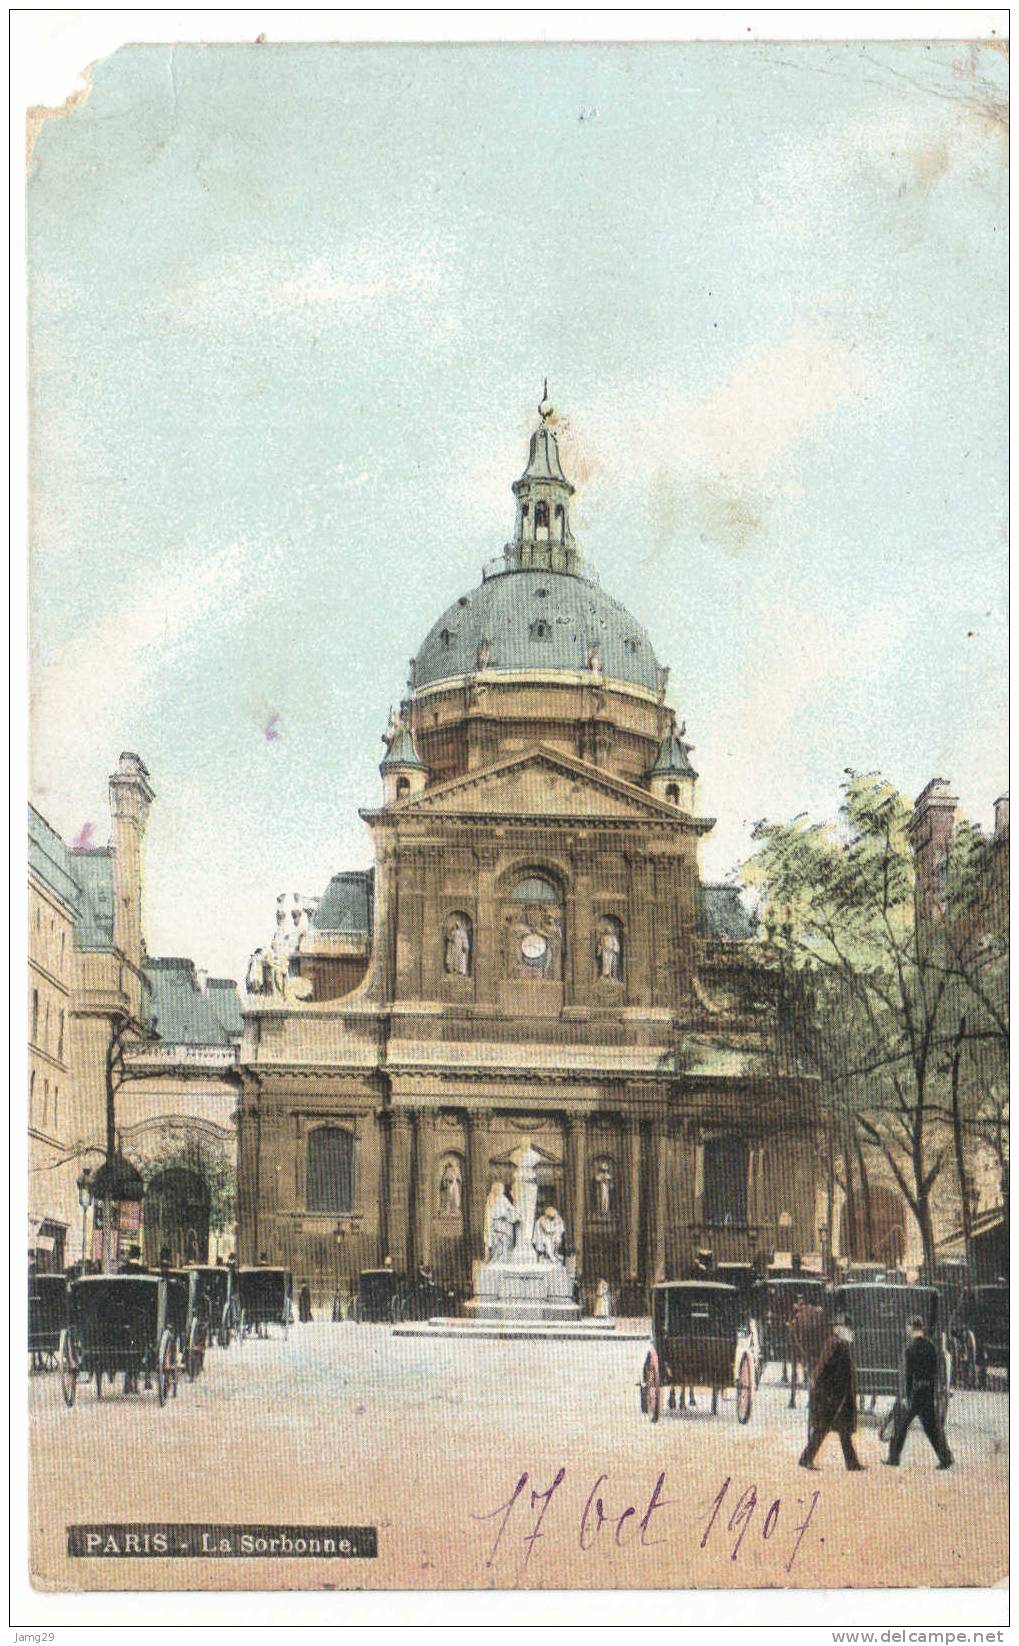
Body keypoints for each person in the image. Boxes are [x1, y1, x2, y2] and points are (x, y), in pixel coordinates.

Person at [883, 1317, 953, 1469]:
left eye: (907, 1327)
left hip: (912, 1394)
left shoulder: (909, 1347)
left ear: (910, 1327)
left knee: (899, 1425)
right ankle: (946, 1458)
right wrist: (934, 1395)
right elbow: (935, 1373)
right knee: (933, 1428)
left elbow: (906, 1374)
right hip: (926, 1392)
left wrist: (904, 1396)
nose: (906, 1330)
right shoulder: (930, 1346)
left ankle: (893, 1458)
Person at [799, 1314, 865, 1471]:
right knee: (823, 1429)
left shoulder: (836, 1344)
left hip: (835, 1395)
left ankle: (852, 1463)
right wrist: (836, 1398)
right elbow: (833, 1374)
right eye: (849, 1328)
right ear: (842, 1329)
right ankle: (806, 1459)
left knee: (843, 1431)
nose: (851, 1332)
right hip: (834, 1396)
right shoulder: (839, 1346)